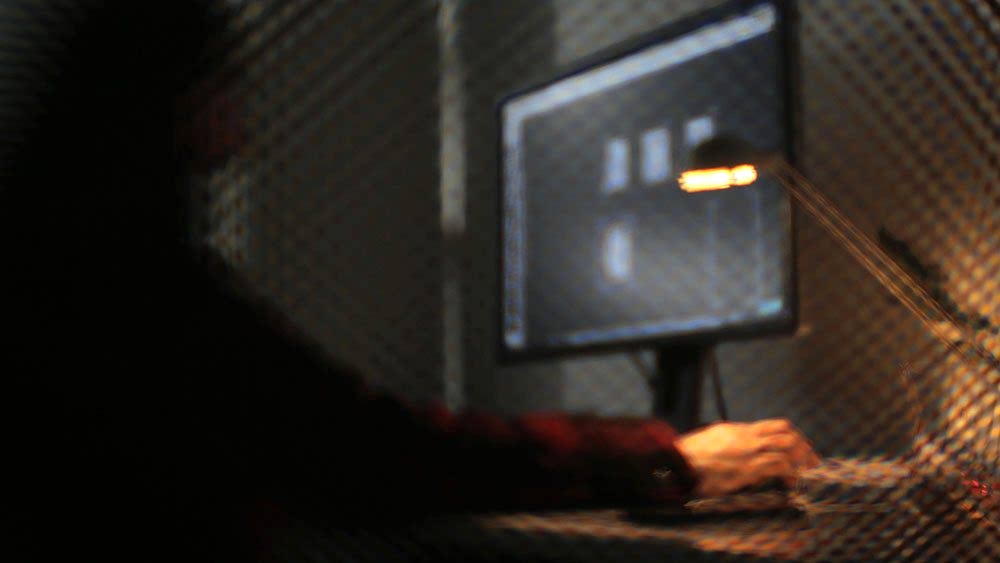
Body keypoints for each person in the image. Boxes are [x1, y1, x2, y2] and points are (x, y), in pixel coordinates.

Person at [3, 2, 818, 561]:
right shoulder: (134, 292)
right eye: (231, 87)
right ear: (175, 97)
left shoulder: (76, 271)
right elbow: (367, 451)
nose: (245, 129)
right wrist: (664, 459)